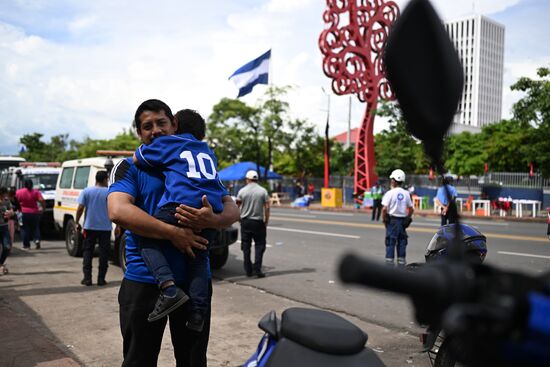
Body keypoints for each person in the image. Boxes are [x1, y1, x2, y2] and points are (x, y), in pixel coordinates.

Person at [108, 99, 240, 367]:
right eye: (147, 126)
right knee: (138, 360)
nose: (155, 130)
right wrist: (173, 233)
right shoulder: (129, 167)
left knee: (193, 361)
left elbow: (232, 210)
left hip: (191, 284)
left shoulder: (189, 162)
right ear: (139, 132)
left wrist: (212, 219)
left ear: (174, 124)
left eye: (161, 122)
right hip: (144, 281)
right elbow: (118, 211)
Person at [133, 108, 231, 331]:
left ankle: (168, 288)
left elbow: (138, 157)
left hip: (180, 206)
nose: (158, 131)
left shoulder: (170, 143)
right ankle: (197, 313)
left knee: (146, 238)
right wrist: (213, 220)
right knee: (198, 260)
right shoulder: (208, 151)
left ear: (175, 125)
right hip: (209, 208)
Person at [75, 171, 112, 286]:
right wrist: (119, 226)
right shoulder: (109, 193)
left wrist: (77, 222)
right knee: (104, 253)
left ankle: (87, 279)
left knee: (88, 252)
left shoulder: (87, 191)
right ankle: (101, 279)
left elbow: (80, 208)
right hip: (105, 228)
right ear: (105, 179)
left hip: (89, 227)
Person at [237, 170, 270, 278]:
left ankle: (248, 270)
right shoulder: (263, 191)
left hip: (245, 222)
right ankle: (257, 269)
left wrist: (238, 218)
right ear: (256, 179)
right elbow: (267, 207)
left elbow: (237, 206)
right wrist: (266, 220)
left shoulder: (242, 191)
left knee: (246, 246)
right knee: (260, 245)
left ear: (247, 179)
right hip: (258, 222)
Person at [381, 169, 414, 266]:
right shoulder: (406, 193)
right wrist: (408, 218)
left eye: (392, 179)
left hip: (392, 221)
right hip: (402, 222)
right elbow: (411, 209)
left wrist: (384, 220)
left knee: (390, 242)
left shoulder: (390, 193)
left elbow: (384, 209)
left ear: (394, 181)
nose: (391, 181)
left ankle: (389, 266)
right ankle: (401, 265)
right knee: (402, 242)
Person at [15, 179, 45, 249]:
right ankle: (36, 240)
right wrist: (43, 208)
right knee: (35, 227)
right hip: (34, 213)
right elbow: (42, 200)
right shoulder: (36, 192)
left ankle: (26, 245)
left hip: (23, 213)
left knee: (24, 229)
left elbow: (15, 201)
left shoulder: (19, 192)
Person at [0, 187, 15, 275]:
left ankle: (1, 263)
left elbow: (12, 210)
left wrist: (10, 213)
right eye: (3, 194)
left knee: (7, 246)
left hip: (4, 227)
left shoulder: (6, 201)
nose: (5, 196)